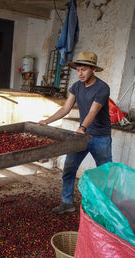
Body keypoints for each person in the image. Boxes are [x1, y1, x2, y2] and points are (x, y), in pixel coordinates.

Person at [39, 51, 112, 214]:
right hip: (81, 137)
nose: (80, 73)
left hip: (100, 137)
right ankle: (67, 202)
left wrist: (83, 127)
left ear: (93, 69)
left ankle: (105, 209)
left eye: (84, 70)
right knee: (69, 168)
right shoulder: (76, 87)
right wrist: (47, 121)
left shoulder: (102, 88)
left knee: (105, 174)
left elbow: (93, 112)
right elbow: (66, 108)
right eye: (78, 70)